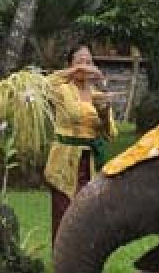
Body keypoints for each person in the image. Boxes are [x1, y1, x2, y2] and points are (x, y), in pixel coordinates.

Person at [45, 42, 116, 244]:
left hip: (90, 160)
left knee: (87, 213)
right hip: (65, 161)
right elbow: (43, 84)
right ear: (70, 65)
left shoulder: (97, 95)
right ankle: (62, 262)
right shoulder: (61, 90)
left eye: (88, 62)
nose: (85, 66)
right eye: (79, 62)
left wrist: (104, 112)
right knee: (64, 210)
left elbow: (110, 133)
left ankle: (82, 260)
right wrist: (73, 71)